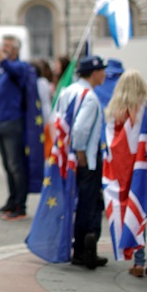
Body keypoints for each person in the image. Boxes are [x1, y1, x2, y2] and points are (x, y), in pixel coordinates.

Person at [102, 70, 147, 278]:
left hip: (129, 172)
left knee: (135, 212)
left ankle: (138, 263)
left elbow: (112, 148)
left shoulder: (114, 113)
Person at [55, 55, 108, 269]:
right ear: (94, 73)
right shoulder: (90, 97)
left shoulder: (68, 91)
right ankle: (85, 248)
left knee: (83, 201)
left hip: (69, 156)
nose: (104, 74)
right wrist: (81, 154)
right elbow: (80, 129)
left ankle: (81, 245)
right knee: (90, 202)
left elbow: (58, 120)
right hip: (86, 156)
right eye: (102, 70)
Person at [0, 33, 29, 220]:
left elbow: (7, 65)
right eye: (2, 45)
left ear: (16, 49)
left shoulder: (18, 67)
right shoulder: (1, 70)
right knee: (7, 164)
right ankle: (12, 200)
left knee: (15, 165)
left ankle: (21, 205)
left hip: (13, 121)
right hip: (0, 122)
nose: (3, 49)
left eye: (7, 46)